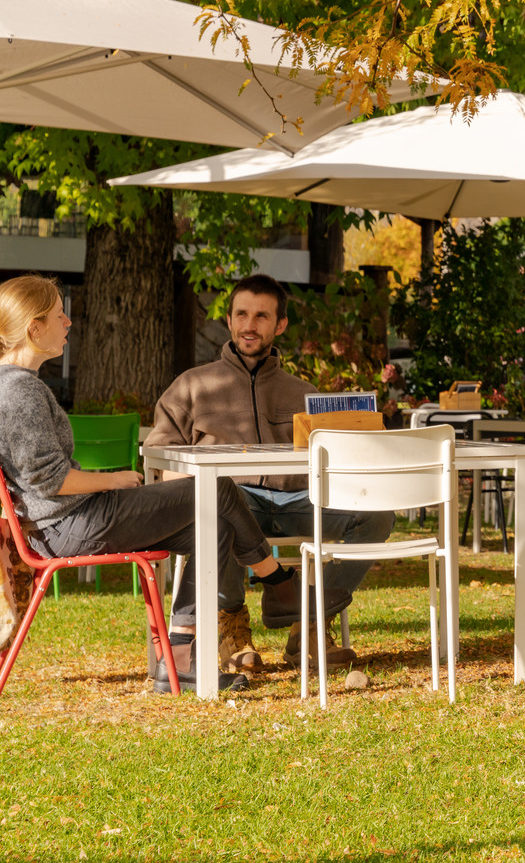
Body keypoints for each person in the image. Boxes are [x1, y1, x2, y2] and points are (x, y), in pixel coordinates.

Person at [0, 275, 298, 695]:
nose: (68, 322)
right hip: (67, 525)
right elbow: (49, 480)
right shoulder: (20, 391)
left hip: (58, 523)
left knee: (211, 525)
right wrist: (112, 481)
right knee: (217, 489)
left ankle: (180, 657)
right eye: (58, 315)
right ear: (34, 329)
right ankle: (275, 580)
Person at [148, 273, 396, 673]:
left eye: (262, 316)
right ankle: (230, 620)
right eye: (242, 314)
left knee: (377, 514)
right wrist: (187, 493)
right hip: (232, 504)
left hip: (295, 502)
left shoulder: (304, 392)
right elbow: (160, 457)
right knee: (217, 503)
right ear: (228, 321)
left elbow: (333, 460)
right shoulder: (191, 386)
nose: (250, 325)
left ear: (279, 325)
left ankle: (308, 619)